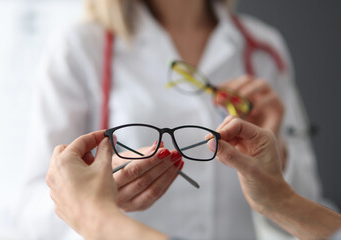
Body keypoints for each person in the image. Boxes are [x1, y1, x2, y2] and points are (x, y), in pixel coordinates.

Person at [18, 0, 322, 239]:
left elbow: (310, 218)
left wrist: (276, 157)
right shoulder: (80, 46)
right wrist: (91, 203)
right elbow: (32, 212)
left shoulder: (263, 50)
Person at [46, 116, 341, 240]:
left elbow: (310, 185)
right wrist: (280, 199)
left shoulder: (263, 44)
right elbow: (32, 205)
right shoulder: (78, 44)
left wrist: (97, 217)